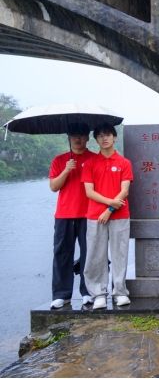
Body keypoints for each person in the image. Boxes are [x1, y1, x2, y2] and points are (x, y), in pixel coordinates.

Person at [82, 123, 134, 310]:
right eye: (100, 136)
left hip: (119, 215)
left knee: (120, 253)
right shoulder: (90, 163)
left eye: (108, 135)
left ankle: (120, 292)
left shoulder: (124, 163)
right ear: (96, 139)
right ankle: (98, 294)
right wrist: (109, 203)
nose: (104, 138)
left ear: (114, 137)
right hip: (95, 216)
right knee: (96, 255)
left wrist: (109, 209)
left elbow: (125, 190)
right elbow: (89, 192)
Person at [48, 123, 96, 309]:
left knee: (89, 254)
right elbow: (54, 187)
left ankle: (88, 292)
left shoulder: (95, 159)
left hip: (89, 214)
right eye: (74, 135)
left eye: (82, 135)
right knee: (62, 254)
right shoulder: (60, 160)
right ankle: (62, 295)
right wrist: (66, 170)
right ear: (69, 137)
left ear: (87, 138)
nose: (78, 139)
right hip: (64, 214)